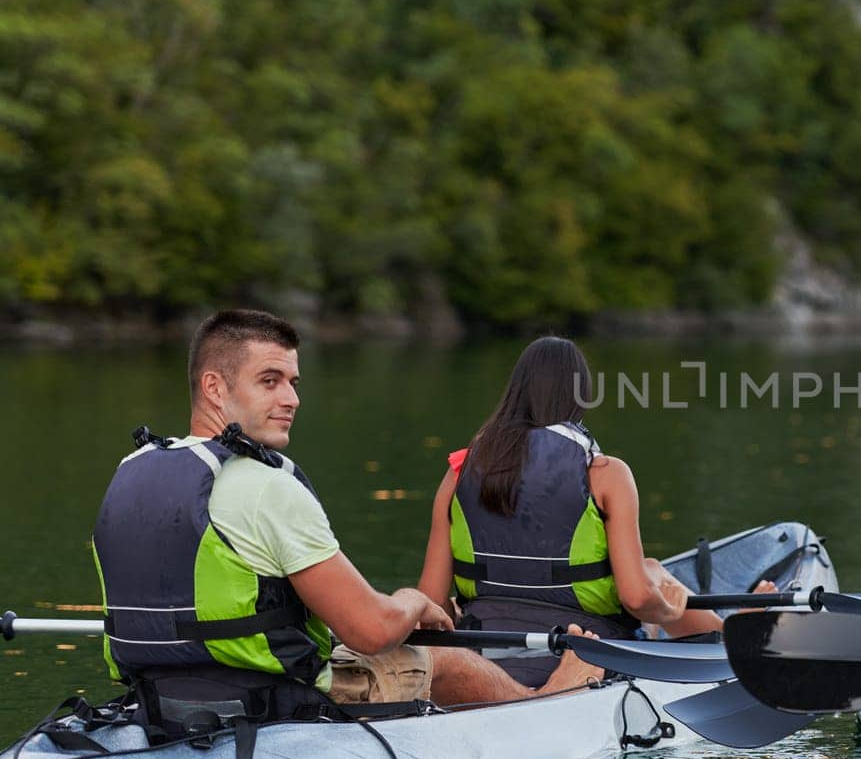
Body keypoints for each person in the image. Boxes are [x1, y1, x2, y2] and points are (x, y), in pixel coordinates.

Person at [93, 309, 596, 737]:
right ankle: (553, 697)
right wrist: (413, 600)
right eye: (269, 381)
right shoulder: (267, 487)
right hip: (272, 698)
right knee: (446, 660)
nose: (291, 399)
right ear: (214, 387)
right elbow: (373, 630)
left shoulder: (132, 470)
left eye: (293, 382)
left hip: (160, 696)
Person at [419, 336, 732, 687]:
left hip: (483, 658)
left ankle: (725, 632)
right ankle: (733, 642)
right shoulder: (606, 474)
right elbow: (636, 598)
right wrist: (669, 608)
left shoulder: (459, 473)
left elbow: (430, 603)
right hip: (588, 652)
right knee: (651, 576)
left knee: (648, 576)